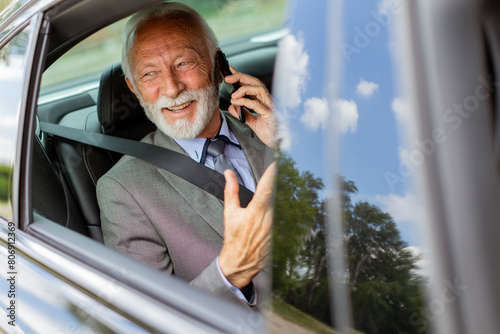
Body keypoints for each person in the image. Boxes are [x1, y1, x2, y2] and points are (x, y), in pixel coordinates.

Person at [96, 1, 276, 307]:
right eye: (150, 74)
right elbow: (148, 315)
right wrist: (230, 273)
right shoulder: (124, 189)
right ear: (134, 90)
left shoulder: (271, 132)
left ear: (218, 66)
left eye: (183, 64)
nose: (172, 88)